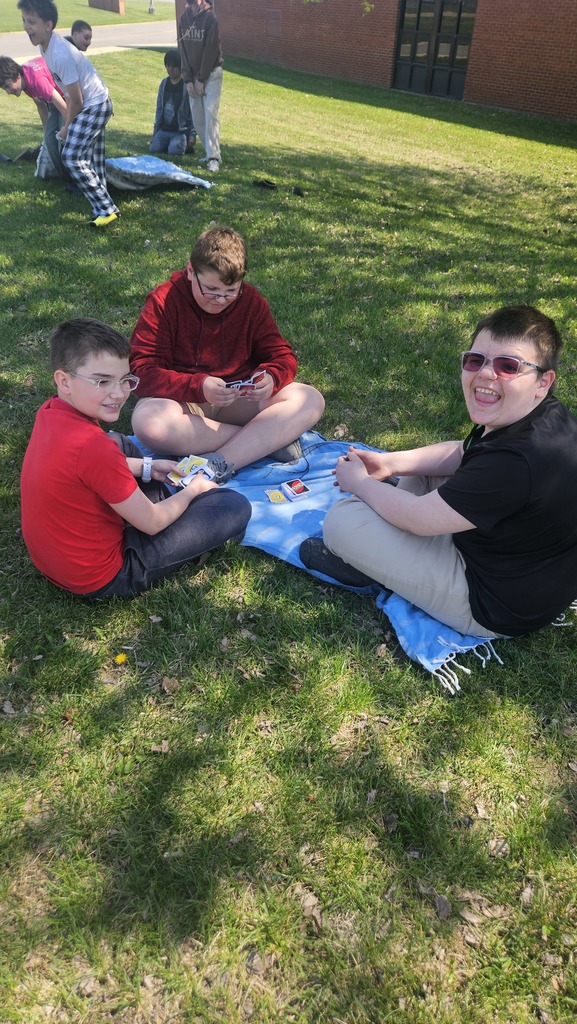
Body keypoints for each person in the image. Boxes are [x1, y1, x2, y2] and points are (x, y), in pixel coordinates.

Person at [300, 305, 577, 638]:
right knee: (419, 469)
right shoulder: (542, 415)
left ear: (543, 381)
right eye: (477, 360)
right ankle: (384, 545)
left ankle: (369, 562)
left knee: (342, 522)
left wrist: (360, 483)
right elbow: (463, 453)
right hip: (517, 566)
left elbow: (420, 519)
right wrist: (391, 463)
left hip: (490, 601)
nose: (487, 374)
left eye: (508, 366)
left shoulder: (518, 460)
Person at [20, 318, 252, 599]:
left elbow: (79, 467)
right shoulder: (93, 448)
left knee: (120, 443)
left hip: (58, 560)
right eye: (102, 381)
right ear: (64, 381)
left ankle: (151, 501)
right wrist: (194, 490)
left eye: (125, 380)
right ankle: (170, 506)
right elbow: (152, 523)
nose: (119, 394)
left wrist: (148, 467)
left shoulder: (50, 413)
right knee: (233, 505)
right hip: (106, 576)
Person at [130, 225, 325, 482]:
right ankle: (264, 441)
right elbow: (142, 371)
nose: (220, 299)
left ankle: (221, 461)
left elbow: (281, 354)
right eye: (211, 290)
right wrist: (199, 386)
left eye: (231, 292)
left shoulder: (251, 302)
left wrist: (270, 378)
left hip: (238, 395)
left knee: (309, 398)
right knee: (149, 425)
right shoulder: (164, 302)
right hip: (181, 402)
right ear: (190, 271)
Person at [18, 0, 120, 227]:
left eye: (32, 22)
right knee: (95, 160)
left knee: (72, 157)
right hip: (97, 100)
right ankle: (101, 207)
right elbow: (67, 91)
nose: (27, 27)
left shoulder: (60, 53)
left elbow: (78, 100)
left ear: (48, 24)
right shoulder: (45, 47)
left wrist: (66, 127)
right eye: (24, 21)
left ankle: (107, 209)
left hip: (96, 104)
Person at [0, 53, 66, 177]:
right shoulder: (24, 81)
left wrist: (66, 129)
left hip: (67, 97)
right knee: (50, 139)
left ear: (18, 76)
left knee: (62, 140)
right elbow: (41, 106)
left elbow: (64, 108)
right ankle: (61, 175)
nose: (8, 92)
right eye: (5, 89)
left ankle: (70, 177)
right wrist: (46, 133)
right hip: (54, 100)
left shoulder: (36, 80)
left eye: (8, 86)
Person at [178, 0, 223, 173]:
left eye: (195, 2)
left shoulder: (210, 18)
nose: (192, 6)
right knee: (197, 117)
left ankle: (214, 157)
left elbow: (211, 49)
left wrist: (202, 78)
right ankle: (208, 152)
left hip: (211, 73)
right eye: (189, 3)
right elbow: (183, 49)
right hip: (193, 75)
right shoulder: (184, 18)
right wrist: (188, 79)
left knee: (210, 113)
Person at [150, 49, 196, 157]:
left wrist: (192, 135)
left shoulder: (186, 86)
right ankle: (169, 143)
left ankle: (184, 145)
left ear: (180, 68)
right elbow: (159, 108)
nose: (171, 69)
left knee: (174, 151)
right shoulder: (164, 83)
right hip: (164, 129)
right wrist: (155, 130)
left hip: (179, 131)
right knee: (154, 148)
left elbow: (192, 111)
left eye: (174, 66)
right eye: (168, 66)